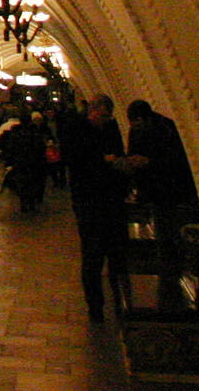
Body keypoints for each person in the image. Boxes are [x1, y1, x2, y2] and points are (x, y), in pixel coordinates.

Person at [61, 94, 131, 321]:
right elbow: (73, 160)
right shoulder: (75, 128)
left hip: (113, 200)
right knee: (92, 255)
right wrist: (103, 161)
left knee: (117, 255)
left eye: (108, 116)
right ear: (91, 111)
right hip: (88, 200)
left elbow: (118, 154)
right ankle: (95, 307)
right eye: (102, 115)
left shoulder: (111, 128)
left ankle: (122, 302)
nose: (105, 119)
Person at [124, 99, 198, 310]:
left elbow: (177, 162)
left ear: (144, 118)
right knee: (164, 236)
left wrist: (148, 163)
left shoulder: (166, 130)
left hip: (172, 193)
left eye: (136, 122)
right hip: (155, 193)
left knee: (170, 236)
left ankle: (171, 279)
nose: (133, 127)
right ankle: (168, 276)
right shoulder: (142, 130)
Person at [1, 111, 50, 212]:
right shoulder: (35, 132)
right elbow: (40, 147)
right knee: (32, 182)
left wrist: (10, 161)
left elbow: (10, 148)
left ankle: (23, 203)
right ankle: (31, 203)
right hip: (34, 162)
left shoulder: (15, 132)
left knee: (22, 183)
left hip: (20, 162)